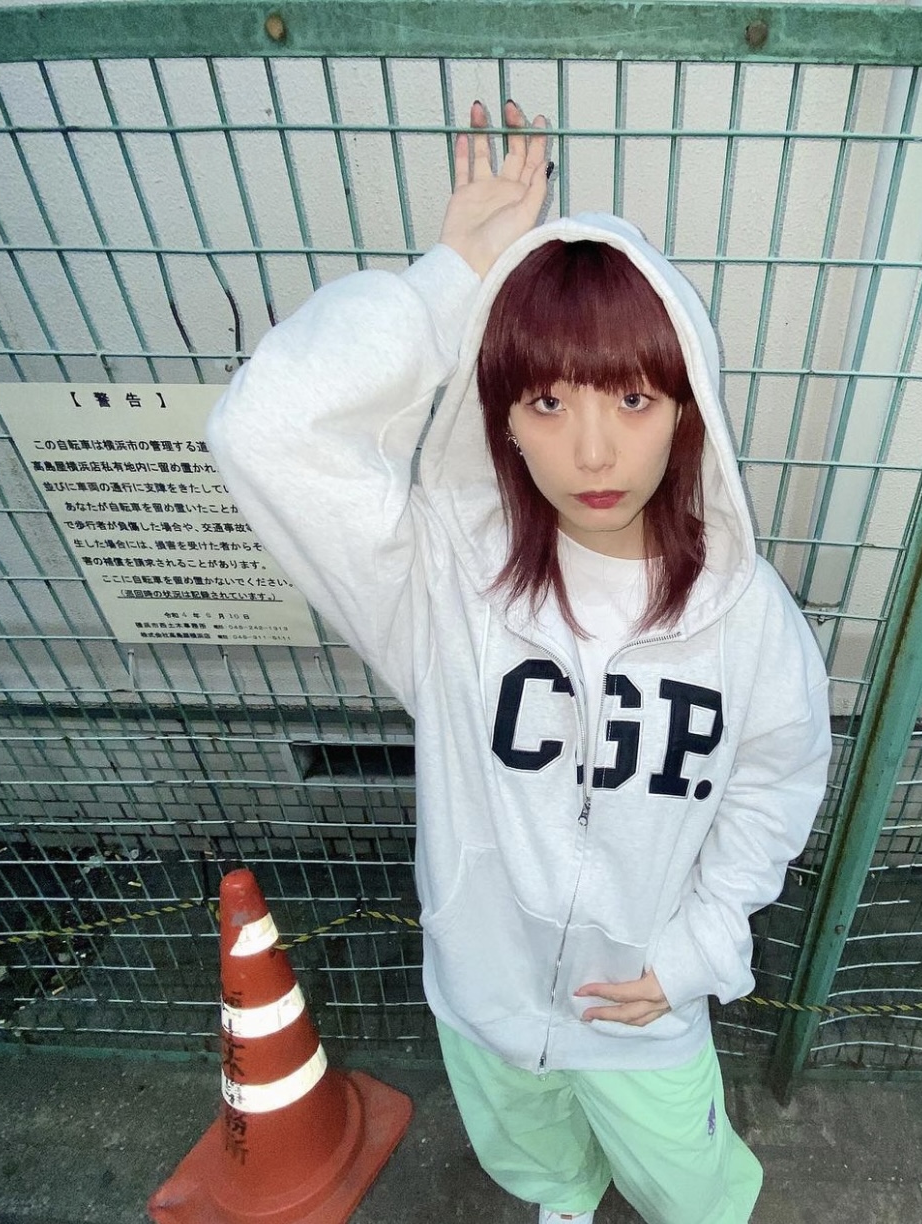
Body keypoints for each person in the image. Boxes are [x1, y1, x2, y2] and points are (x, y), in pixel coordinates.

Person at [207, 100, 831, 1224]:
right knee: (539, 1162)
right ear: (502, 417)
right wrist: (452, 280)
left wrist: (697, 951)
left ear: (686, 410)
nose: (593, 449)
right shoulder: (445, 580)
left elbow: (773, 785)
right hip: (488, 1001)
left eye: (633, 399)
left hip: (643, 1011)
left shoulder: (746, 619)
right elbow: (266, 428)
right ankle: (562, 1202)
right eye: (547, 401)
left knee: (693, 1192)